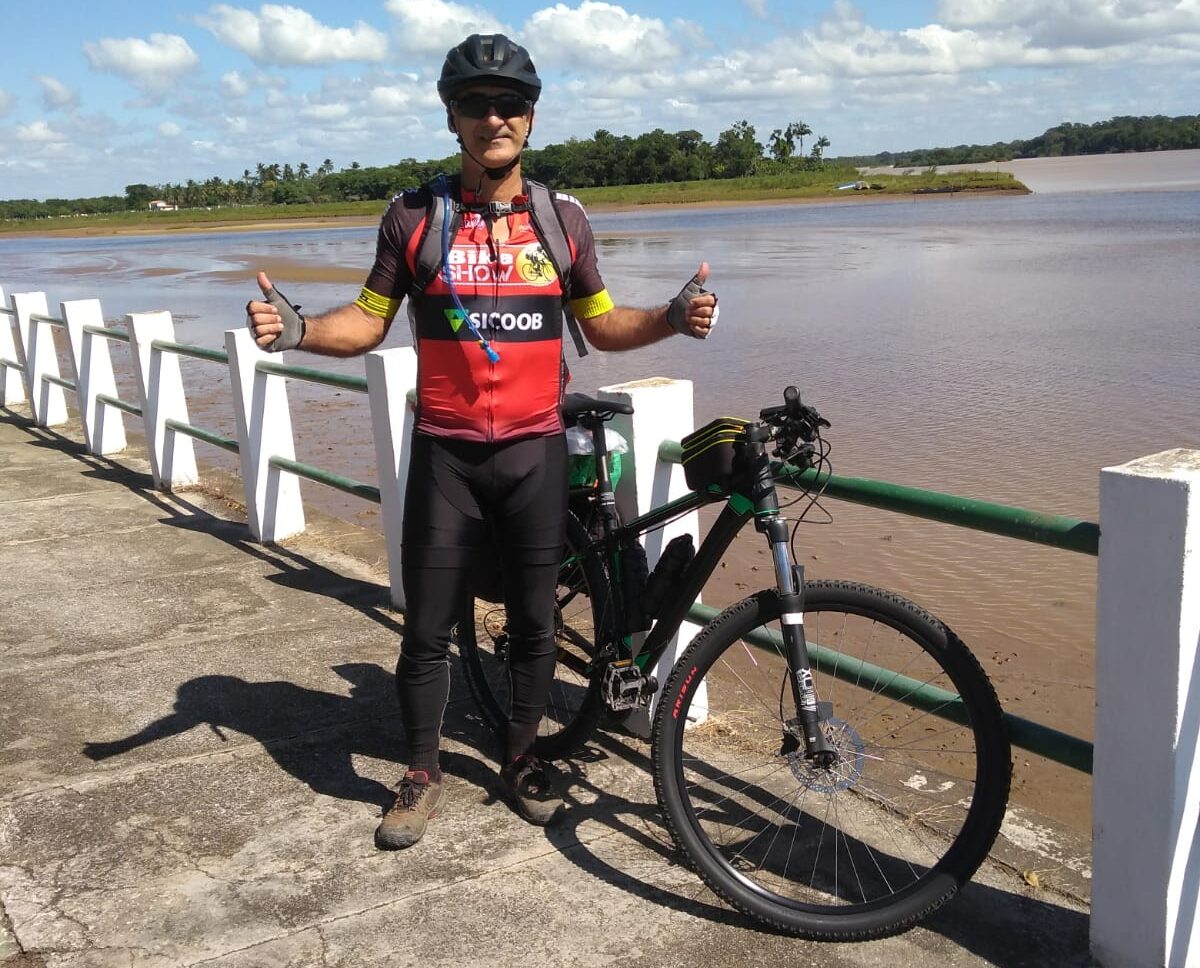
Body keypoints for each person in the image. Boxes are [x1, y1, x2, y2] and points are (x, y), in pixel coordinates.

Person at [246, 33, 718, 850]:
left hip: (535, 450)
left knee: (536, 624)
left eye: (509, 104)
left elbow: (601, 327)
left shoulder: (560, 220)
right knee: (428, 627)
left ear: (531, 120)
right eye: (475, 104)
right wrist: (297, 330)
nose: (493, 117)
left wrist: (673, 317)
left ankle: (520, 757)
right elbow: (366, 321)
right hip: (448, 454)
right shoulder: (413, 218)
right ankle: (422, 771)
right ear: (453, 117)